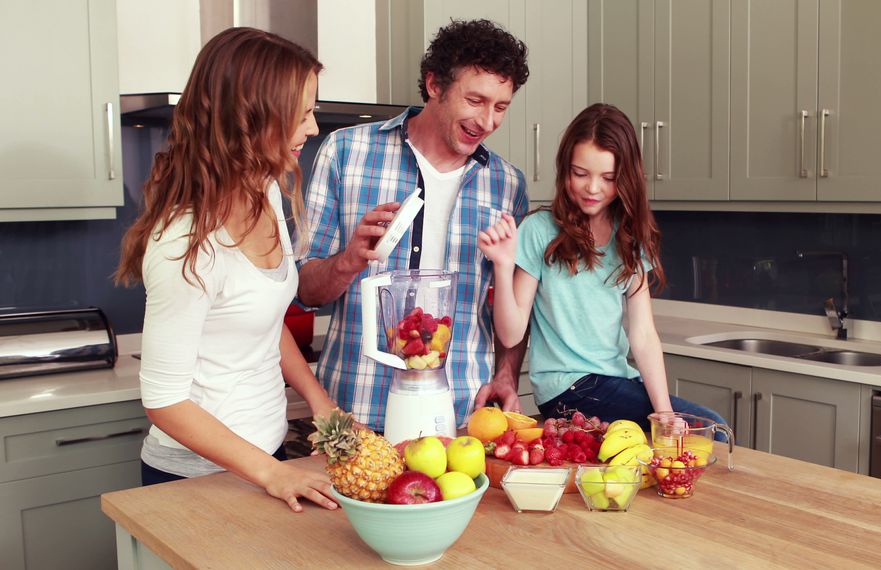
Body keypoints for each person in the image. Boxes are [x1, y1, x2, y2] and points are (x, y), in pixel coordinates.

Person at [114, 27, 339, 513]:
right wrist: (272, 473)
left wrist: (320, 404)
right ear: (249, 118)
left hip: (266, 460)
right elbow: (164, 400)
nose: (314, 128)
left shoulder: (267, 193)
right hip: (193, 481)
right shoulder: (184, 243)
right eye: (301, 115)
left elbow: (264, 319)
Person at [297, 19, 531, 431]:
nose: (488, 121)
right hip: (355, 410)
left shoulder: (507, 183)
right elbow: (305, 291)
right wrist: (349, 261)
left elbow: (514, 299)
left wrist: (507, 373)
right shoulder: (347, 153)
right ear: (435, 85)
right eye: (475, 100)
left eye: (501, 107)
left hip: (461, 412)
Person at [478, 103, 727, 436]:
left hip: (616, 380)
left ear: (625, 179)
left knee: (702, 429)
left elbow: (643, 335)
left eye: (608, 178)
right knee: (713, 431)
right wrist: (503, 265)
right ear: (565, 168)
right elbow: (510, 334)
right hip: (566, 391)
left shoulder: (630, 238)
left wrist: (663, 412)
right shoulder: (539, 230)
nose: (593, 188)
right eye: (580, 174)